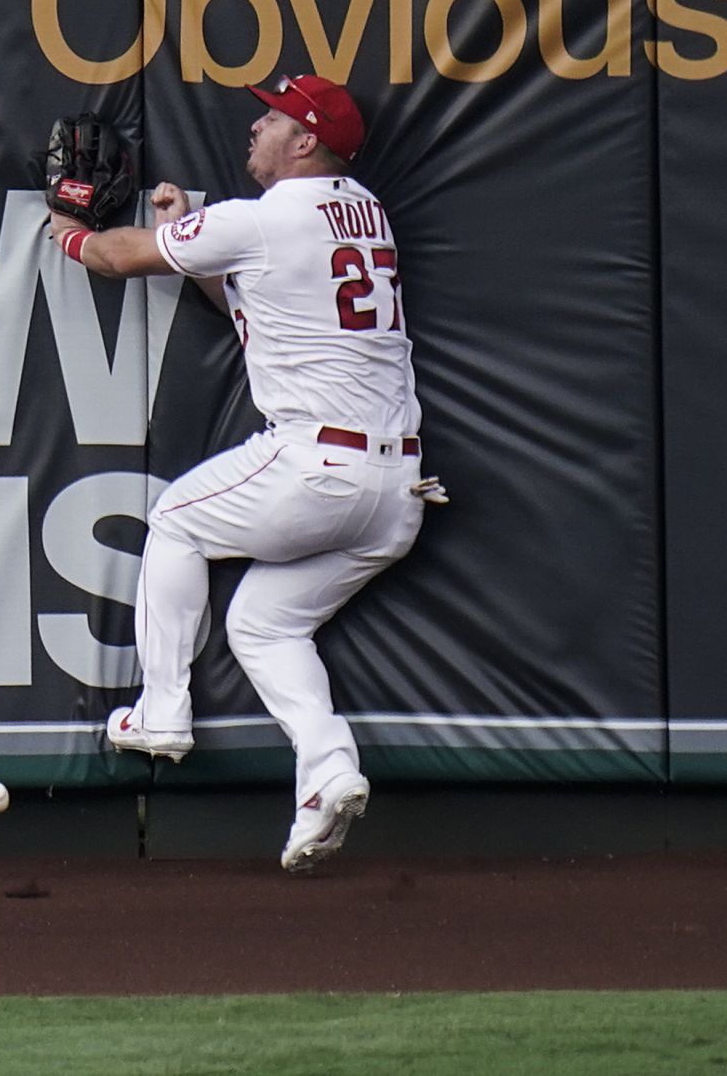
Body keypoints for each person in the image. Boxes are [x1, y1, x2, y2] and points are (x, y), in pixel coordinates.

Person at [47, 73, 440, 872]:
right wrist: (192, 241)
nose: (255, 128)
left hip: (317, 464)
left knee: (176, 520)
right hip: (396, 490)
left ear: (306, 142)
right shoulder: (366, 214)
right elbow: (257, 301)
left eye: (273, 118)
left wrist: (65, 226)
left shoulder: (266, 218)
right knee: (264, 622)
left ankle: (161, 710)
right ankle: (328, 768)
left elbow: (120, 257)